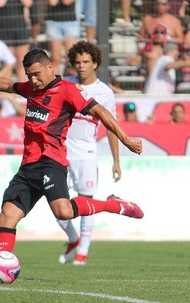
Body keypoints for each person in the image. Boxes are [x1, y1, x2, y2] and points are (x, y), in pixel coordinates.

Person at [0, 48, 143, 284]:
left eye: (37, 74)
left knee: (63, 211)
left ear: (50, 67)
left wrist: (126, 139)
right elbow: (5, 85)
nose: (33, 80)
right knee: (7, 216)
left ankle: (114, 205)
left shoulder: (68, 91)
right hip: (27, 166)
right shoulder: (32, 88)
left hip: (51, 162)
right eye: (29, 75)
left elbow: (100, 111)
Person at [55, 41, 121, 266]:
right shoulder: (65, 84)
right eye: (77, 62)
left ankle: (83, 251)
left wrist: (116, 161)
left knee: (86, 203)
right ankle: (73, 239)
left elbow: (111, 127)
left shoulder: (104, 92)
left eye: (85, 62)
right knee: (56, 202)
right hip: (61, 152)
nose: (81, 66)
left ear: (95, 63)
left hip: (86, 153)